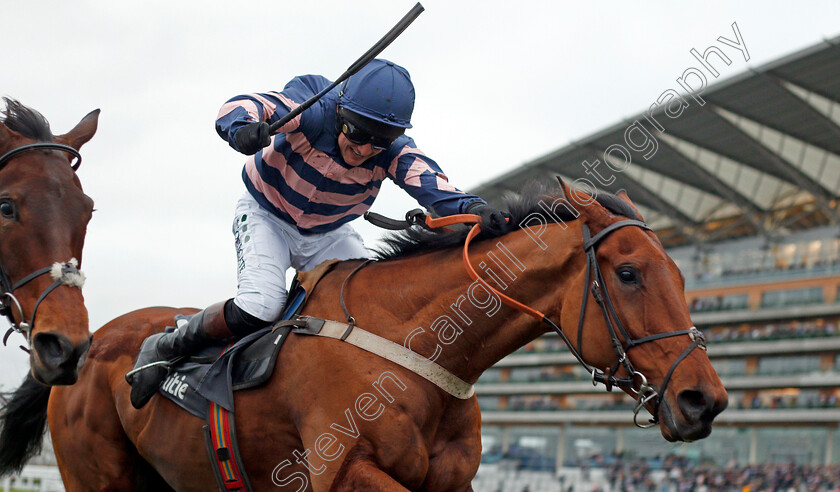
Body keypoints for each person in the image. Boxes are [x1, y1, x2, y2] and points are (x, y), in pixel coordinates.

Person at [126, 59, 508, 409]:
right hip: (266, 216)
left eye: (379, 141)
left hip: (330, 233)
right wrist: (241, 129)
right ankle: (166, 345)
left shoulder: (394, 151)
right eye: (357, 134)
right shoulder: (312, 106)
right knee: (261, 305)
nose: (363, 150)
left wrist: (475, 210)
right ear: (340, 112)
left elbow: (432, 184)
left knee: (365, 306)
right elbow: (241, 106)